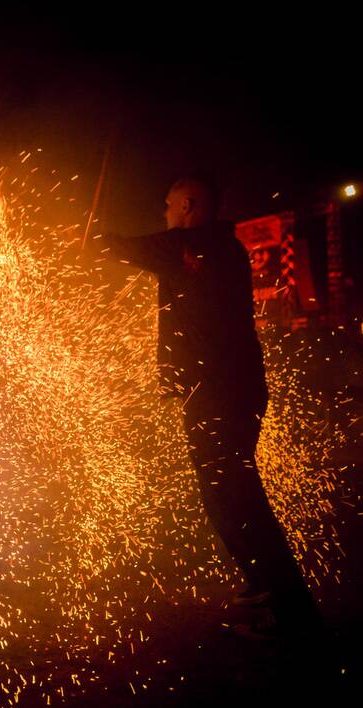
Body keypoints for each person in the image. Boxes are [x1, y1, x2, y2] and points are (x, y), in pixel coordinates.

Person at [97, 177, 321, 639]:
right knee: (232, 494)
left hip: (220, 391)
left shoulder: (193, 244)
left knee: (232, 496)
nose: (163, 214)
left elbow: (116, 248)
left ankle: (282, 605)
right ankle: (270, 597)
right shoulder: (223, 246)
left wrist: (91, 233)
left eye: (167, 205)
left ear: (188, 204)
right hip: (229, 388)